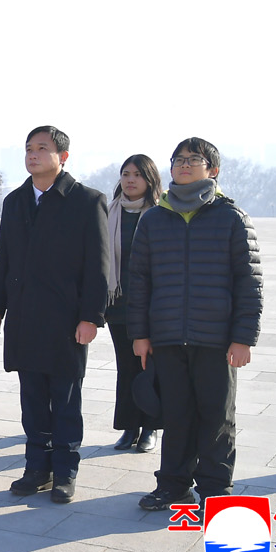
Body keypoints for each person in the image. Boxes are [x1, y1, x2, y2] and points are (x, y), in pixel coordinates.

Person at [130, 137, 263, 511]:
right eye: (178, 159)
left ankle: (216, 487)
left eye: (194, 159)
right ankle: (172, 485)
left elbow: (249, 282)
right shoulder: (155, 218)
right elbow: (139, 281)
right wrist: (140, 334)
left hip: (216, 340)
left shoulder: (231, 218)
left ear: (213, 170)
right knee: (176, 415)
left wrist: (243, 338)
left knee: (217, 416)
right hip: (168, 337)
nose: (184, 165)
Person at [0, 126, 109, 505]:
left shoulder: (87, 201)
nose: (33, 155)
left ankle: (65, 472)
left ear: (63, 157)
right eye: (29, 149)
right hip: (24, 317)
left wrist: (91, 316)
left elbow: (99, 266)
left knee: (66, 398)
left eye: (42, 148)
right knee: (32, 400)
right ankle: (36, 468)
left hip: (66, 321)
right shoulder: (16, 201)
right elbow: (3, 259)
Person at [105, 155, 163, 452]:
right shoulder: (110, 211)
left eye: (138, 175)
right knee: (126, 367)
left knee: (149, 367)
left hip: (153, 305)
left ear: (149, 179)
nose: (130, 179)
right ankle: (128, 427)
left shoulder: (161, 212)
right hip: (118, 303)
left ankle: (150, 427)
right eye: (126, 174)